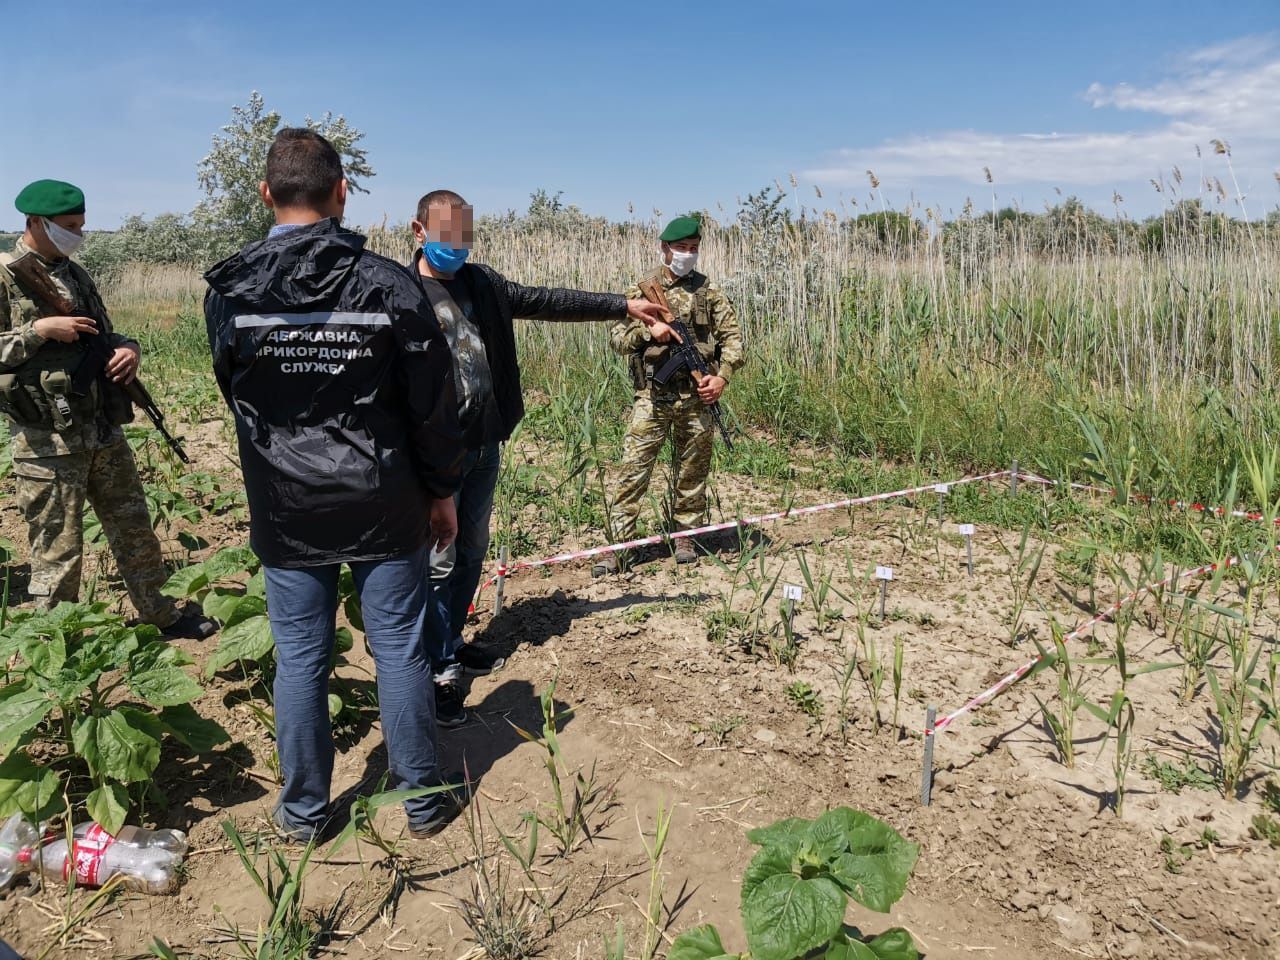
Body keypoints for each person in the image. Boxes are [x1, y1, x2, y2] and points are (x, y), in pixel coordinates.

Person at [204, 130, 466, 841]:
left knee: (300, 659)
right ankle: (421, 800)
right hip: (384, 504)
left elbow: (240, 393)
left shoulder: (229, 291)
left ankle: (302, 814)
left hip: (286, 509)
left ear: (266, 193)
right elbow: (431, 408)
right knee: (401, 649)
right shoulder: (390, 286)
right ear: (342, 191)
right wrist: (442, 491)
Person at [409, 190, 672, 726]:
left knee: (472, 549)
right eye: (445, 238)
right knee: (435, 562)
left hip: (485, 444)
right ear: (419, 231)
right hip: (436, 456)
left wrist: (623, 305)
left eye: (464, 238)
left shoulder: (484, 283)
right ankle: (434, 671)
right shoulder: (400, 292)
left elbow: (550, 300)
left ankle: (453, 644)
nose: (456, 248)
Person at [0, 180, 215, 639]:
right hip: (47, 442)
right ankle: (58, 646)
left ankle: (161, 615)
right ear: (37, 223)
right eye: (70, 226)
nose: (79, 233)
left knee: (135, 527)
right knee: (57, 550)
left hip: (100, 429)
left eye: (81, 224)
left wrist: (128, 348)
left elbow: (106, 334)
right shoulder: (5, 274)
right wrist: (38, 331)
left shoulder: (75, 274)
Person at [594, 214, 744, 575]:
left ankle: (685, 536)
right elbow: (618, 340)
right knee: (633, 470)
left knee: (693, 470)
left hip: (696, 396)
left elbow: (734, 342)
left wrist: (721, 377)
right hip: (652, 397)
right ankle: (618, 545)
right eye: (681, 248)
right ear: (664, 247)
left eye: (693, 249)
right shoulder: (640, 291)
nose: (687, 254)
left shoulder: (710, 292)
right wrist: (650, 331)